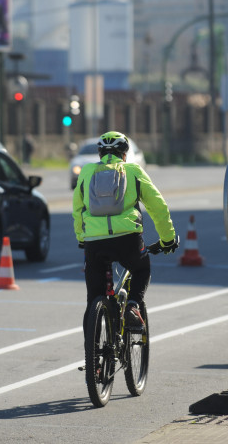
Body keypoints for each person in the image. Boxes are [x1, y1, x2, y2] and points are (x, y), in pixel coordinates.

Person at [73, 131, 179, 334]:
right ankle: (132, 305)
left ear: (100, 153)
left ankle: (92, 360)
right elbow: (158, 206)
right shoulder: (133, 170)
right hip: (128, 239)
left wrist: (82, 238)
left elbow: (77, 209)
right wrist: (167, 239)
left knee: (93, 298)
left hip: (94, 242)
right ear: (124, 154)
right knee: (141, 269)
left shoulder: (86, 172)